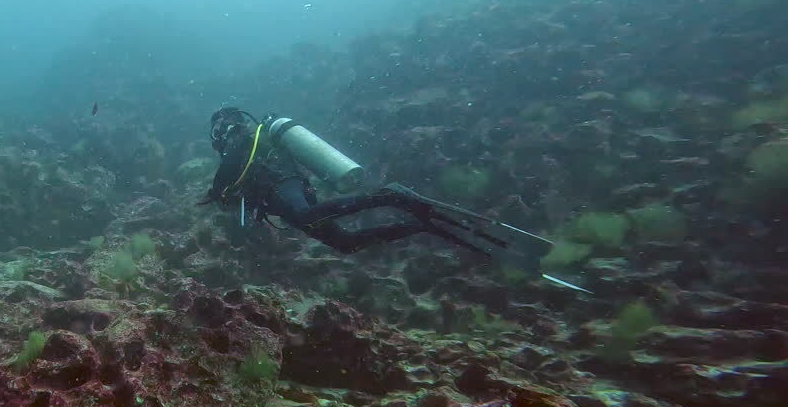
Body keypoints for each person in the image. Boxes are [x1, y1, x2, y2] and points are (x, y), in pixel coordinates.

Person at [199, 107, 587, 291]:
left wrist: (215, 192)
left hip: (285, 187)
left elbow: (233, 166)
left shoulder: (243, 138)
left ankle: (390, 196)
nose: (219, 137)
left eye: (217, 132)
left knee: (312, 214)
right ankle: (420, 222)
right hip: (284, 195)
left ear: (223, 129)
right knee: (344, 243)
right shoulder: (246, 143)